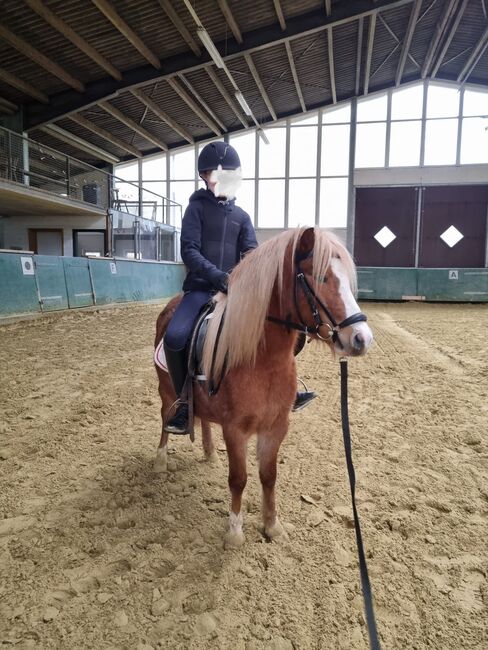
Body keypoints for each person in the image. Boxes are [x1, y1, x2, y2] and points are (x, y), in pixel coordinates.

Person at [163, 141, 316, 434]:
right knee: (176, 337)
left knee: (290, 334)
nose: (223, 178)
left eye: (230, 173)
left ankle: (288, 389)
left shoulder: (242, 217)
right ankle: (184, 401)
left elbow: (252, 255)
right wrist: (218, 277)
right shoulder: (195, 210)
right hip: (200, 289)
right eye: (216, 173)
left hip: (237, 295)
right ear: (205, 176)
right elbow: (190, 251)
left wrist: (244, 282)